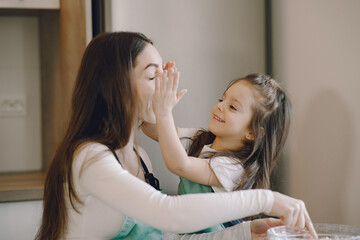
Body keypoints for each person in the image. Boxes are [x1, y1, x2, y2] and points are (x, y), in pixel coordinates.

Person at [35, 31, 316, 240]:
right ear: (116, 85)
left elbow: (170, 237)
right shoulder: (90, 158)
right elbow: (168, 212)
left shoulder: (140, 157)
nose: (165, 86)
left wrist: (247, 232)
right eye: (152, 77)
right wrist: (266, 200)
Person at [144, 69, 292, 234]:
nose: (220, 106)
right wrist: (153, 93)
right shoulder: (199, 139)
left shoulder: (233, 168)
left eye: (232, 107)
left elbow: (180, 165)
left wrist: (164, 112)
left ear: (253, 132)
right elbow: (150, 129)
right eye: (222, 99)